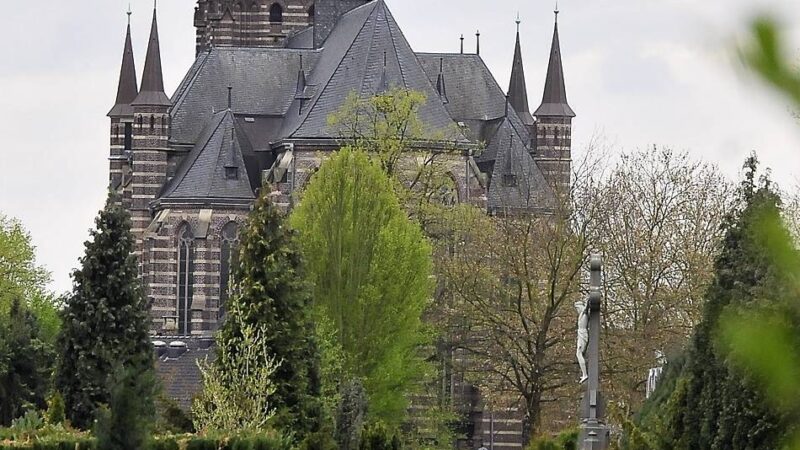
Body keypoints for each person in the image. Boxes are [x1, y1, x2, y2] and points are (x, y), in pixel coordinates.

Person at [575, 300, 589, 383]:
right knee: (579, 354)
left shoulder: (584, 313)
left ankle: (585, 374)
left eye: (577, 308)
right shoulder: (581, 314)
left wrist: (588, 300)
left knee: (579, 354)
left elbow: (586, 308)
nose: (577, 310)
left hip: (583, 334)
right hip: (580, 334)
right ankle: (584, 374)